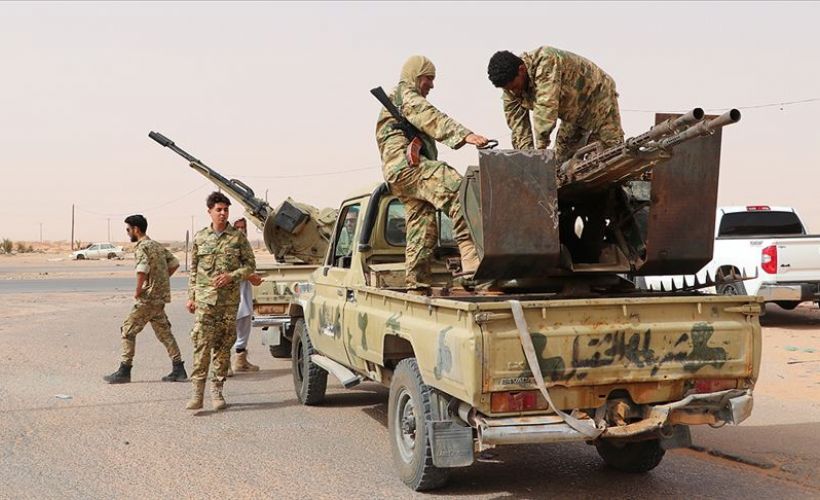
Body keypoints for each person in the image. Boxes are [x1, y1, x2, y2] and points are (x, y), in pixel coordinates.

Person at [375, 55, 490, 294]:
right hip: (407, 168)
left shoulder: (400, 99)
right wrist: (465, 135)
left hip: (399, 174)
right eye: (428, 78)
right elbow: (431, 116)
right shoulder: (406, 95)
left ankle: (417, 286)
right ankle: (471, 257)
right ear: (416, 76)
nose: (432, 85)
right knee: (458, 189)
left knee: (422, 227)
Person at [487, 47, 624, 164]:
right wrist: (529, 161)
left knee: (612, 154)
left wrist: (540, 151)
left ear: (521, 70)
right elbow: (519, 128)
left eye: (514, 87)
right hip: (572, 113)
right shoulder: (509, 89)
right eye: (508, 89)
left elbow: (545, 108)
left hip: (598, 97)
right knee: (560, 161)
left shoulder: (545, 60)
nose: (513, 92)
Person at [185, 192, 256, 410]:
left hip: (228, 303)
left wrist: (232, 276)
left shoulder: (238, 238)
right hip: (205, 301)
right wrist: (191, 297)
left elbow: (250, 266)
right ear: (210, 211)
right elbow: (194, 270)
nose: (223, 213)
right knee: (201, 344)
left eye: (226, 209)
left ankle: (217, 391)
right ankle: (197, 393)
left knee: (223, 347)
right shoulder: (200, 237)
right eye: (219, 210)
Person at [103, 214, 187, 384]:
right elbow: (174, 263)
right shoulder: (156, 245)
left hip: (148, 299)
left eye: (128, 229)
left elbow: (142, 269)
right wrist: (161, 280)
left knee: (128, 330)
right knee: (164, 333)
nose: (128, 233)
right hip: (159, 298)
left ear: (136, 229)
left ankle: (124, 370)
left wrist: (139, 289)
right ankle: (178, 368)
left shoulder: (142, 247)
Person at [230, 218, 263, 374]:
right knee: (228, 329)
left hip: (244, 291)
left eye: (243, 227)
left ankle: (240, 361)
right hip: (230, 293)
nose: (241, 230)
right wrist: (250, 276)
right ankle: (223, 364)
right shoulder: (229, 245)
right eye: (238, 227)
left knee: (244, 327)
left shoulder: (245, 245)